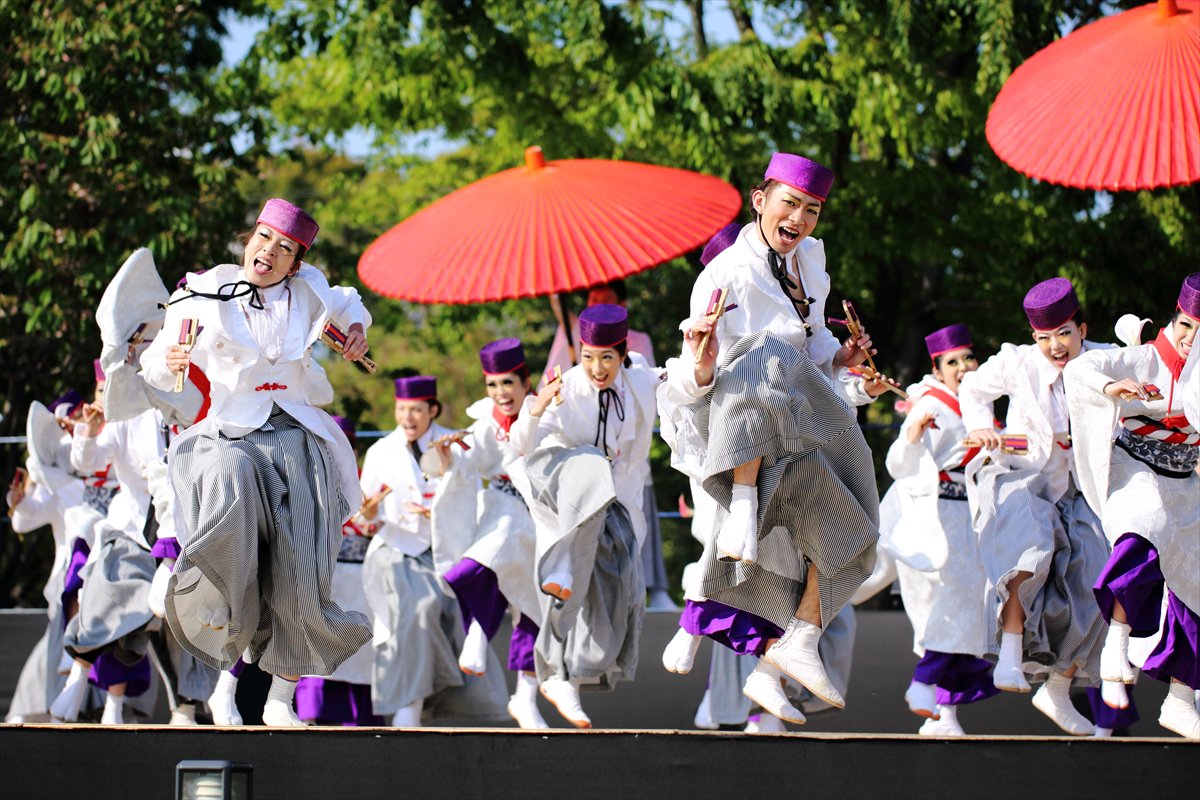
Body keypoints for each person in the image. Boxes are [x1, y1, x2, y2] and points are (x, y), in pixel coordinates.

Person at [656, 153, 880, 725]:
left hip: (797, 424)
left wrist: (843, 358)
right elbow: (689, 377)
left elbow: (813, 351)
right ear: (760, 201)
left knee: (857, 531)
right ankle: (741, 518)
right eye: (790, 204)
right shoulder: (723, 275)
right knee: (768, 355)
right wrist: (702, 360)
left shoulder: (812, 265)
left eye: (812, 209)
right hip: (738, 427)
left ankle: (787, 653)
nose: (800, 218)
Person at [140, 197, 373, 727]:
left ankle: (280, 701)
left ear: (296, 261)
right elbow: (156, 363)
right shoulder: (202, 290)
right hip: (231, 431)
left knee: (303, 564)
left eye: (285, 248)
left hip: (294, 430)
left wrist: (357, 330)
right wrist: (170, 359)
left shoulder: (310, 289)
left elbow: (349, 303)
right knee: (231, 505)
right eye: (264, 239)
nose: (270, 251)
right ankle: (224, 680)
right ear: (250, 241)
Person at [959, 277, 1112, 735]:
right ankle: (1008, 655)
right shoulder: (1016, 362)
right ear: (1033, 337)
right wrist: (983, 427)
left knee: (1101, 577)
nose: (1055, 346)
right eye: (1044, 337)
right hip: (1022, 474)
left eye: (1064, 333)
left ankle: (1059, 689)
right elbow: (972, 389)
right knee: (1027, 547)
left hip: (1082, 488)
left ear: (1082, 329)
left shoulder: (1105, 360)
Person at [509, 304, 659, 728]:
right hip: (560, 483)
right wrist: (537, 408)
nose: (597, 367)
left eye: (607, 358)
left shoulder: (640, 381)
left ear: (622, 353)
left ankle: (567, 678)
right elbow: (522, 444)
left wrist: (701, 356)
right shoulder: (567, 386)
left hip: (610, 502)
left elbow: (686, 384)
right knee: (591, 462)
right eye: (588, 356)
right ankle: (563, 569)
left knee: (619, 587)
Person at [1065, 273, 1200, 740]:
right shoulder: (1141, 357)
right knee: (1145, 527)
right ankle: (1116, 643)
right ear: (1173, 319)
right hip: (1133, 468)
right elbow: (1080, 370)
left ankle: (1181, 699)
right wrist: (1112, 389)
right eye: (1185, 324)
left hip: (1186, 482)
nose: (1190, 337)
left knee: (1196, 583)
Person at [360, 374, 508, 727]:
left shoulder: (456, 445)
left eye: (415, 410)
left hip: (444, 548)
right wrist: (369, 513)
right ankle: (412, 700)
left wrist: (440, 505)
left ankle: (423, 699)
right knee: (421, 608)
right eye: (401, 409)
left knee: (446, 613)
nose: (407, 418)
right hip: (395, 549)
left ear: (433, 410)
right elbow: (366, 517)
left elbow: (471, 499)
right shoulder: (381, 450)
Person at [424, 339, 548, 729]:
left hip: (545, 517)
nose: (501, 393)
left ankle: (525, 697)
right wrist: (447, 455)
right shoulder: (483, 424)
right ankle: (478, 630)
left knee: (534, 607)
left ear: (526, 382)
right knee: (483, 560)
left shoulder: (547, 414)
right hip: (503, 509)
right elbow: (464, 464)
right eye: (493, 385)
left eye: (508, 383)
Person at [884, 323, 997, 735]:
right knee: (952, 605)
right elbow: (898, 462)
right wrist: (912, 434)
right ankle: (922, 682)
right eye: (954, 361)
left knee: (967, 610)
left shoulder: (977, 402)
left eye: (969, 357)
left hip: (971, 515)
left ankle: (944, 715)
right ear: (938, 366)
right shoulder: (929, 403)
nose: (964, 366)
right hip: (938, 517)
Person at [544, 281, 674, 610]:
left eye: (606, 300)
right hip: (586, 445)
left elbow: (654, 386)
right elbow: (553, 379)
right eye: (592, 299)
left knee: (633, 516)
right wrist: (580, 372)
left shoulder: (639, 347)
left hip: (626, 451)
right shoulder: (570, 332)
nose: (597, 303)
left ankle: (648, 588)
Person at [295, 416, 382, 726]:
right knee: (317, 653)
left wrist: (372, 518)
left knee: (359, 656)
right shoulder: (300, 479)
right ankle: (310, 717)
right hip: (321, 580)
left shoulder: (368, 481)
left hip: (360, 581)